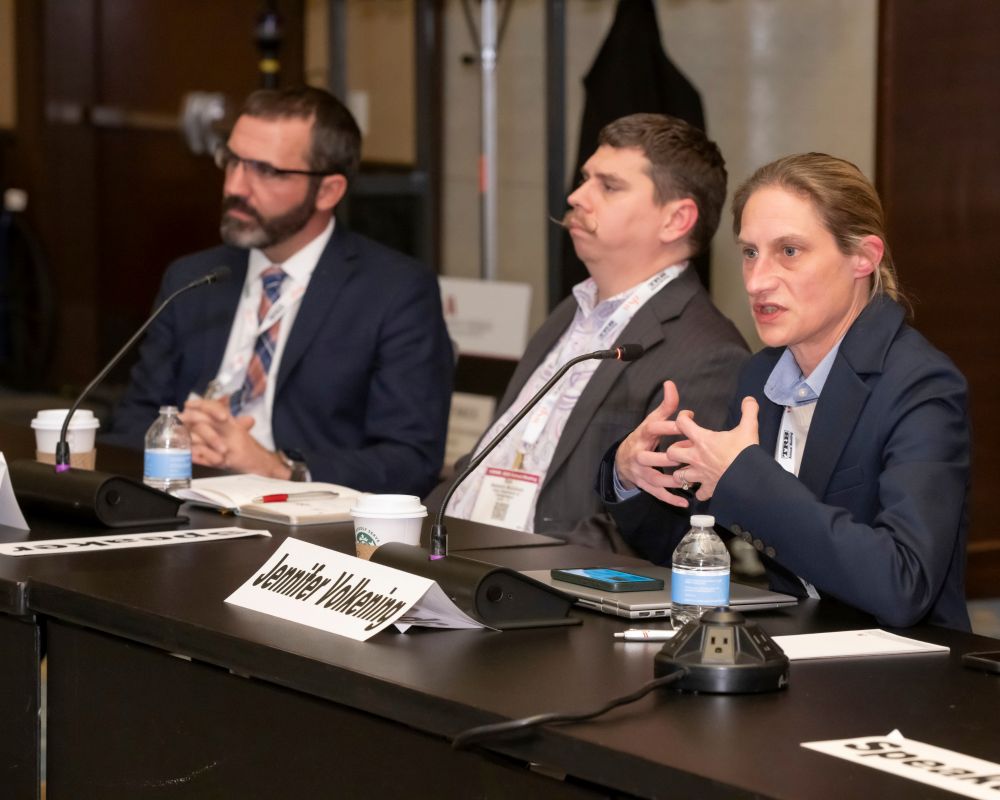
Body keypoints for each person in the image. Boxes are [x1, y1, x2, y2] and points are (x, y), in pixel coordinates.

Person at [605, 153, 971, 630]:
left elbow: (904, 584)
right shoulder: (761, 375)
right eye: (750, 253)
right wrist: (632, 476)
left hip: (905, 663)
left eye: (790, 251)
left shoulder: (921, 386)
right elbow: (700, 548)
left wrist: (744, 477)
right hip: (796, 642)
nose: (758, 281)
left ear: (864, 257)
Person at [108, 86, 453, 497]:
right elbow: (132, 421)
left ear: (328, 191)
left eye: (266, 171)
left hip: (307, 520)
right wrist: (178, 447)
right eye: (232, 160)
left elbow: (410, 462)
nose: (236, 186)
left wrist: (278, 469)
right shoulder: (193, 278)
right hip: (184, 503)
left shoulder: (395, 292)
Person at [433, 113, 748, 553]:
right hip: (456, 553)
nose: (576, 196)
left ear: (676, 220)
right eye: (585, 179)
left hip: (534, 576)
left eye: (609, 186)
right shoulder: (571, 311)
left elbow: (662, 533)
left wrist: (500, 565)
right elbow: (488, 458)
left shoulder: (709, 355)